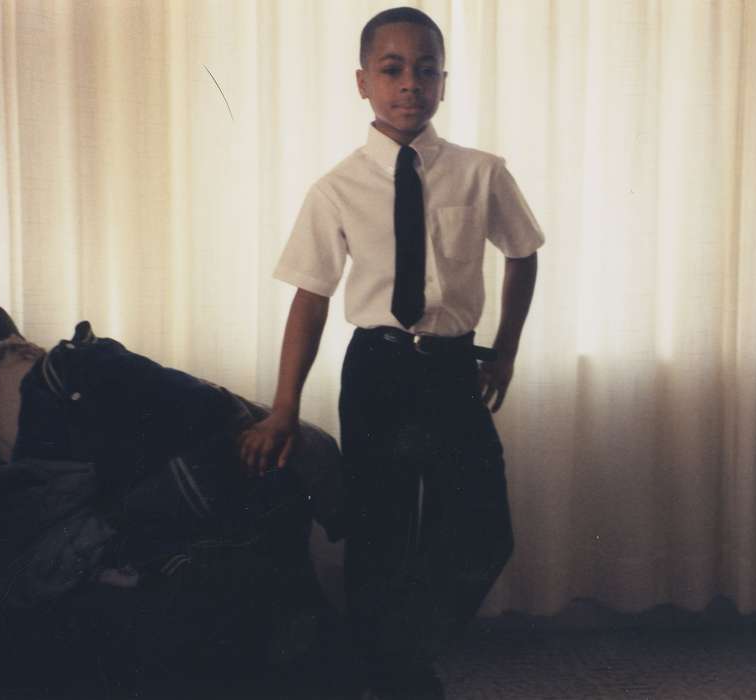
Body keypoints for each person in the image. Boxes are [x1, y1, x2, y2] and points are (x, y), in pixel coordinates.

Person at [240, 6, 543, 698]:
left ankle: (402, 650)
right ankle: (393, 675)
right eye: (392, 68)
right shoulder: (336, 188)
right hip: (376, 370)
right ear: (362, 81)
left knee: (478, 529)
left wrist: (506, 352)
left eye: (426, 69)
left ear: (443, 82)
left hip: (450, 368)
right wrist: (283, 407)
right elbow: (310, 298)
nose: (410, 83)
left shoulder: (480, 173)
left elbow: (523, 253)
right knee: (380, 533)